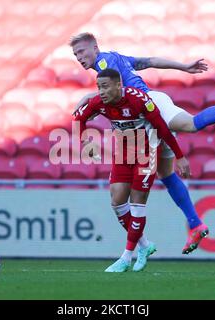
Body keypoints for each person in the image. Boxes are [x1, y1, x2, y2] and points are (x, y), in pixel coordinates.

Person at [69, 32, 215, 255]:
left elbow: (115, 89)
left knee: (192, 124)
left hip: (150, 106)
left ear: (95, 48)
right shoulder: (115, 57)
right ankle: (195, 224)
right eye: (75, 53)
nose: (78, 57)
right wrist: (183, 67)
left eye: (81, 51)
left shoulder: (104, 62)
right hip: (148, 110)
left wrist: (90, 99)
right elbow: (151, 61)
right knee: (166, 174)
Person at [75, 68, 186, 272]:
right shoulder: (99, 103)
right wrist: (86, 143)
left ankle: (126, 257)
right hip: (123, 153)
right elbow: (78, 119)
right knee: (117, 201)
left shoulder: (139, 101)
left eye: (105, 86)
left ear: (119, 85)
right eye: (98, 87)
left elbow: (162, 129)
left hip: (147, 152)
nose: (101, 91)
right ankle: (144, 245)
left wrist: (179, 156)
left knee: (136, 204)